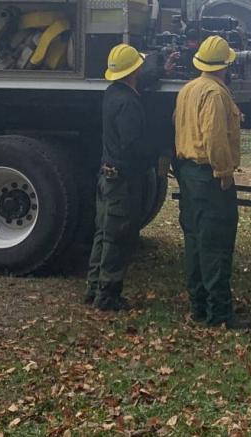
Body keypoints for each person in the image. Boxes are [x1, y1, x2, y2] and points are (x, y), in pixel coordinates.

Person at [86, 43, 177, 311]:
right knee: (119, 237)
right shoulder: (127, 103)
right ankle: (108, 296)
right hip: (123, 181)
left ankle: (94, 287)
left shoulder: (114, 92)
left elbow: (139, 82)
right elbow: (133, 145)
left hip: (109, 178)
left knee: (103, 233)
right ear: (133, 70)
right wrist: (160, 151)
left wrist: (161, 69)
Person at [174, 36, 251, 329]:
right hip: (210, 177)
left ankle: (198, 306)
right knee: (216, 244)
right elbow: (214, 138)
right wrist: (224, 173)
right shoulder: (216, 94)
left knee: (195, 241)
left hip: (189, 175)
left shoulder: (188, 89)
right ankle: (219, 313)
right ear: (225, 65)